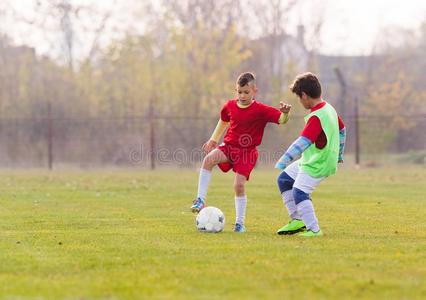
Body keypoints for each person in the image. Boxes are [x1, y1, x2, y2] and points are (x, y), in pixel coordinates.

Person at [191, 72, 292, 233]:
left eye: (246, 92)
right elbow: (224, 120)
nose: (242, 95)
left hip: (247, 153)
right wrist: (213, 139)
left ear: (254, 91)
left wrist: (285, 113)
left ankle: (239, 223)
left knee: (238, 185)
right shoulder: (230, 105)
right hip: (229, 147)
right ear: (236, 90)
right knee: (208, 160)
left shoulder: (261, 110)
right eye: (239, 92)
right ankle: (200, 200)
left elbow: (281, 120)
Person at [275, 72, 346, 237]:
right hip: (313, 158)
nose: (300, 101)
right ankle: (297, 220)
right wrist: (339, 153)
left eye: (299, 98)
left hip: (318, 162)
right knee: (284, 180)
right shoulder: (329, 108)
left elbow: (303, 142)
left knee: (299, 192)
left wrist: (283, 160)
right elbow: (342, 130)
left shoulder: (316, 116)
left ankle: (314, 229)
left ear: (305, 95)